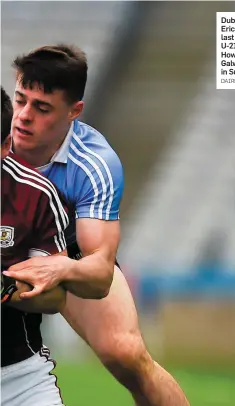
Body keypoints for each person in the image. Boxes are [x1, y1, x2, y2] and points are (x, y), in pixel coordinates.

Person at [5, 45, 190, 405]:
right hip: (9, 235)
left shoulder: (94, 164)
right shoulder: (2, 131)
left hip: (67, 248)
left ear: (74, 111)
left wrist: (60, 267)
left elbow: (100, 273)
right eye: (20, 99)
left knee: (126, 353)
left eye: (42, 108)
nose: (23, 116)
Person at [1, 86, 68, 406]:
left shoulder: (36, 194)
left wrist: (7, 287)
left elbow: (55, 298)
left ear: (4, 146)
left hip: (17, 380)